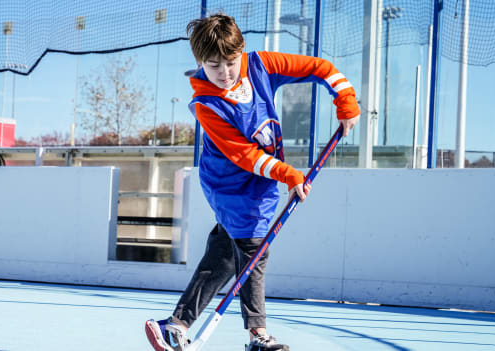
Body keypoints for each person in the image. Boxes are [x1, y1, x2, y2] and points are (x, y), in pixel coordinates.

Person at [145, 13, 359, 351]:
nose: (225, 73)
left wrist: (345, 100)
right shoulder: (206, 104)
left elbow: (321, 68)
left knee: (224, 255)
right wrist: (290, 174)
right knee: (254, 251)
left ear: (241, 51)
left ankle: (176, 324)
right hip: (229, 184)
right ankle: (258, 336)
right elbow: (245, 155)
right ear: (201, 63)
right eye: (214, 66)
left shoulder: (260, 65)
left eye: (231, 62)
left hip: (262, 181)